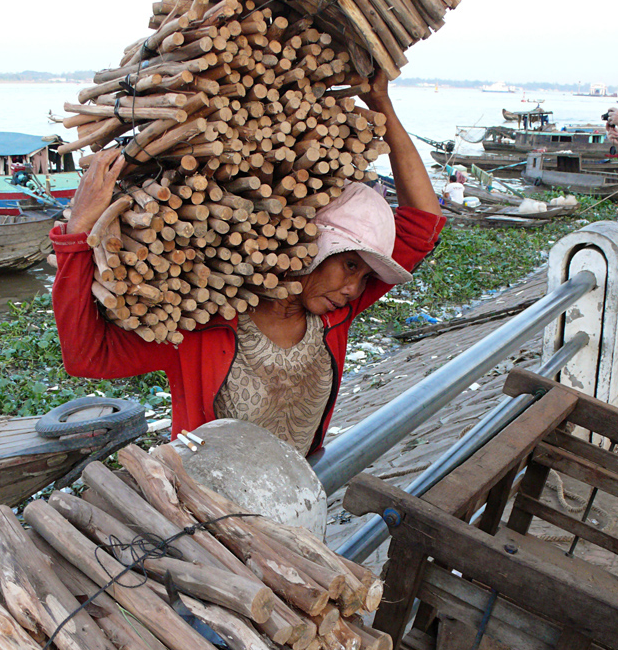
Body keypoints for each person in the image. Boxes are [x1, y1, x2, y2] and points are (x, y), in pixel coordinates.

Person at [50, 70, 445, 457]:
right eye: (350, 267)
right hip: (208, 508)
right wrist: (78, 232)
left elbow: (422, 225)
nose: (356, 289)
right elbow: (88, 355)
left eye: (366, 276)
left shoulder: (334, 316)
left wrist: (382, 106)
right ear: (315, 246)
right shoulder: (202, 326)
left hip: (297, 499)